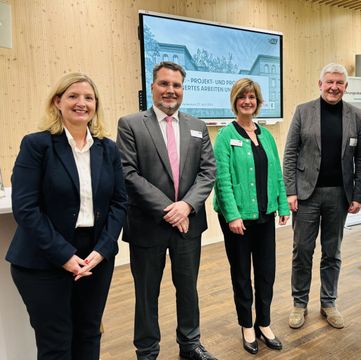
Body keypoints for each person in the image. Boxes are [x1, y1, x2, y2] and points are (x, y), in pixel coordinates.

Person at [6, 72, 128, 360]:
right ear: (57, 102)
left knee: (89, 334)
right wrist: (63, 255)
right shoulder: (37, 145)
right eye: (73, 96)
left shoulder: (108, 148)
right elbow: (25, 207)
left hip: (94, 257)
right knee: (56, 345)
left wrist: (103, 248)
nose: (81, 103)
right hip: (43, 260)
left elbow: (120, 203)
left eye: (89, 98)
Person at [116, 62, 216, 360]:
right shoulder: (131, 124)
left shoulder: (197, 126)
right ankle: (147, 351)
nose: (170, 90)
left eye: (176, 85)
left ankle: (190, 344)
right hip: (147, 225)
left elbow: (208, 172)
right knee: (147, 294)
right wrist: (168, 209)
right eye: (164, 84)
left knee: (188, 288)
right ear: (153, 87)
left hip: (189, 224)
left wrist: (186, 206)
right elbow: (128, 173)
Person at [283, 63, 361, 330]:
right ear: (320, 84)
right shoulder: (303, 111)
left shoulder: (357, 115)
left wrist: (358, 194)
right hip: (307, 195)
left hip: (339, 196)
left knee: (333, 252)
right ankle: (299, 304)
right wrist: (290, 191)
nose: (334, 87)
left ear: (346, 86)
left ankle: (329, 302)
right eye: (329, 82)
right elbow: (290, 154)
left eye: (339, 83)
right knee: (302, 251)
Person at [213, 78, 290, 355]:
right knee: (242, 275)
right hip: (237, 221)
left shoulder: (266, 134)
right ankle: (247, 325)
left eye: (252, 97)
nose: (248, 101)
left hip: (265, 216)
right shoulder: (225, 135)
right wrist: (232, 216)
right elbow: (221, 179)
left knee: (266, 273)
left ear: (257, 102)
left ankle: (264, 322)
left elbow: (276, 174)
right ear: (235, 101)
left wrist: (282, 206)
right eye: (243, 97)